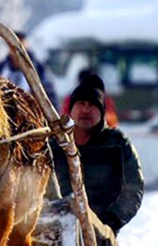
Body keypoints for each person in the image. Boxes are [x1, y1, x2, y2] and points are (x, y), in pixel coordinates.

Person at [50, 76, 144, 236]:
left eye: (93, 105)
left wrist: (111, 222)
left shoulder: (118, 144)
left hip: (103, 232)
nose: (86, 110)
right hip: (56, 230)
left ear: (102, 112)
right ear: (70, 110)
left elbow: (134, 188)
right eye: (81, 104)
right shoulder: (53, 145)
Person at [0, 31, 58, 108]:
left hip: (32, 113)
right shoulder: (0, 68)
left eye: (20, 43)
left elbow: (49, 94)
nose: (15, 48)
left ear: (26, 44)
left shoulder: (39, 68)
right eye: (11, 44)